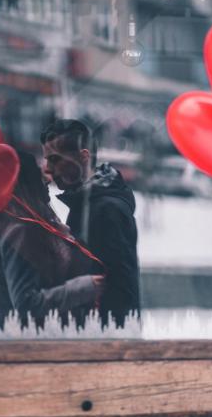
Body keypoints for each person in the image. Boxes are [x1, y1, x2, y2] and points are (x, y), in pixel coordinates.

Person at [0, 150, 104, 331]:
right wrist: (85, 287)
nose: (47, 180)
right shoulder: (20, 231)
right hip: (30, 346)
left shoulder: (17, 223)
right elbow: (26, 304)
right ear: (26, 181)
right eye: (38, 174)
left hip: (32, 342)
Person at [40, 119, 140, 328]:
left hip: (104, 340)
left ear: (83, 157)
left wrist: (114, 342)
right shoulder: (85, 204)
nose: (48, 169)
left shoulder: (107, 209)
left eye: (55, 159)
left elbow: (120, 286)